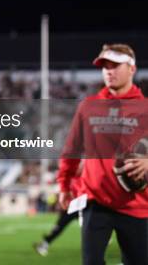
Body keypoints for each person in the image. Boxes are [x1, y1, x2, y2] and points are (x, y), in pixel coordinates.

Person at [57, 43, 148, 265]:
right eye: (105, 66)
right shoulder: (88, 106)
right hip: (94, 200)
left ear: (132, 69)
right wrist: (64, 185)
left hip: (136, 201)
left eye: (116, 65)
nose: (109, 70)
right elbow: (72, 149)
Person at [33, 163, 83, 257]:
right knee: (59, 227)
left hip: (82, 207)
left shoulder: (83, 178)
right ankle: (44, 244)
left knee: (91, 228)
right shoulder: (70, 179)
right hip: (70, 208)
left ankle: (100, 243)